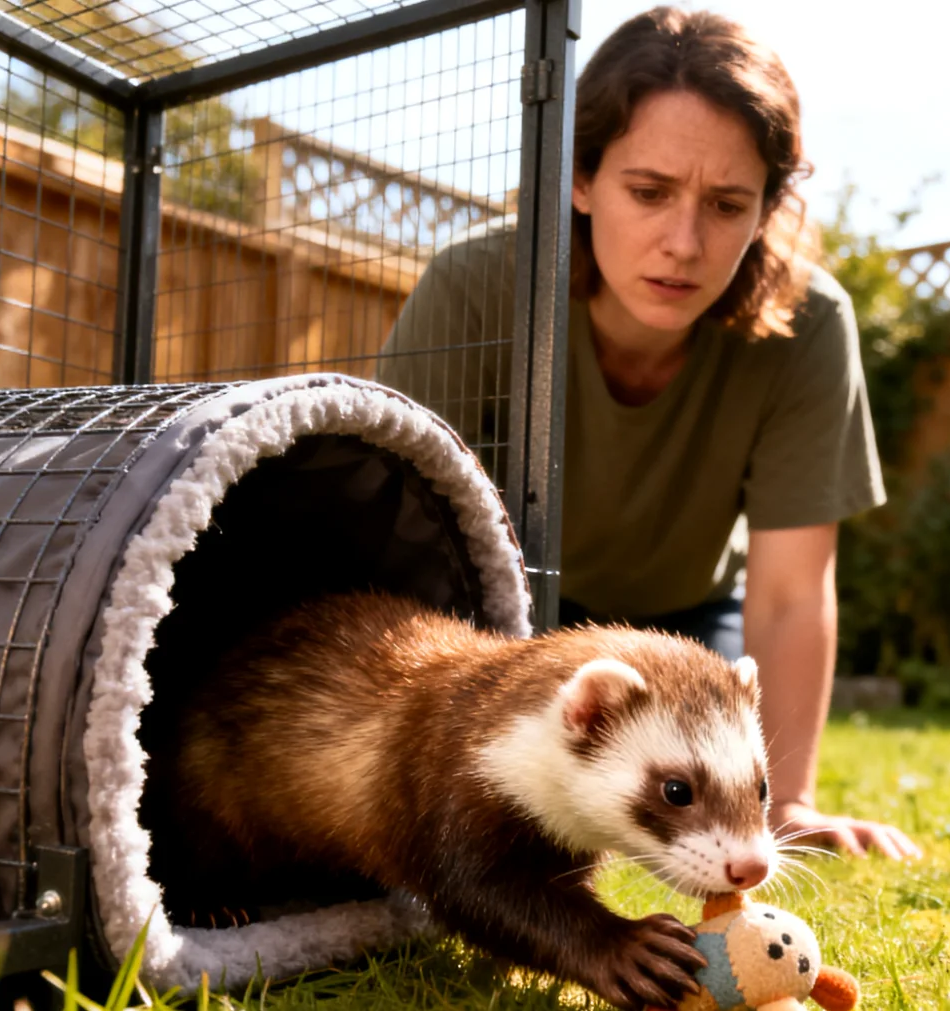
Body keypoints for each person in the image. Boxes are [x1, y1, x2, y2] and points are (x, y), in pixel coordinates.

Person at [376, 5, 919, 862]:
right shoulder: (475, 286)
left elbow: (787, 593)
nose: (684, 243)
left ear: (767, 209)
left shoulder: (813, 325)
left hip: (692, 629)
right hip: (501, 617)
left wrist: (793, 801)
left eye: (728, 203)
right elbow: (395, 551)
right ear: (582, 178)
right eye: (650, 191)